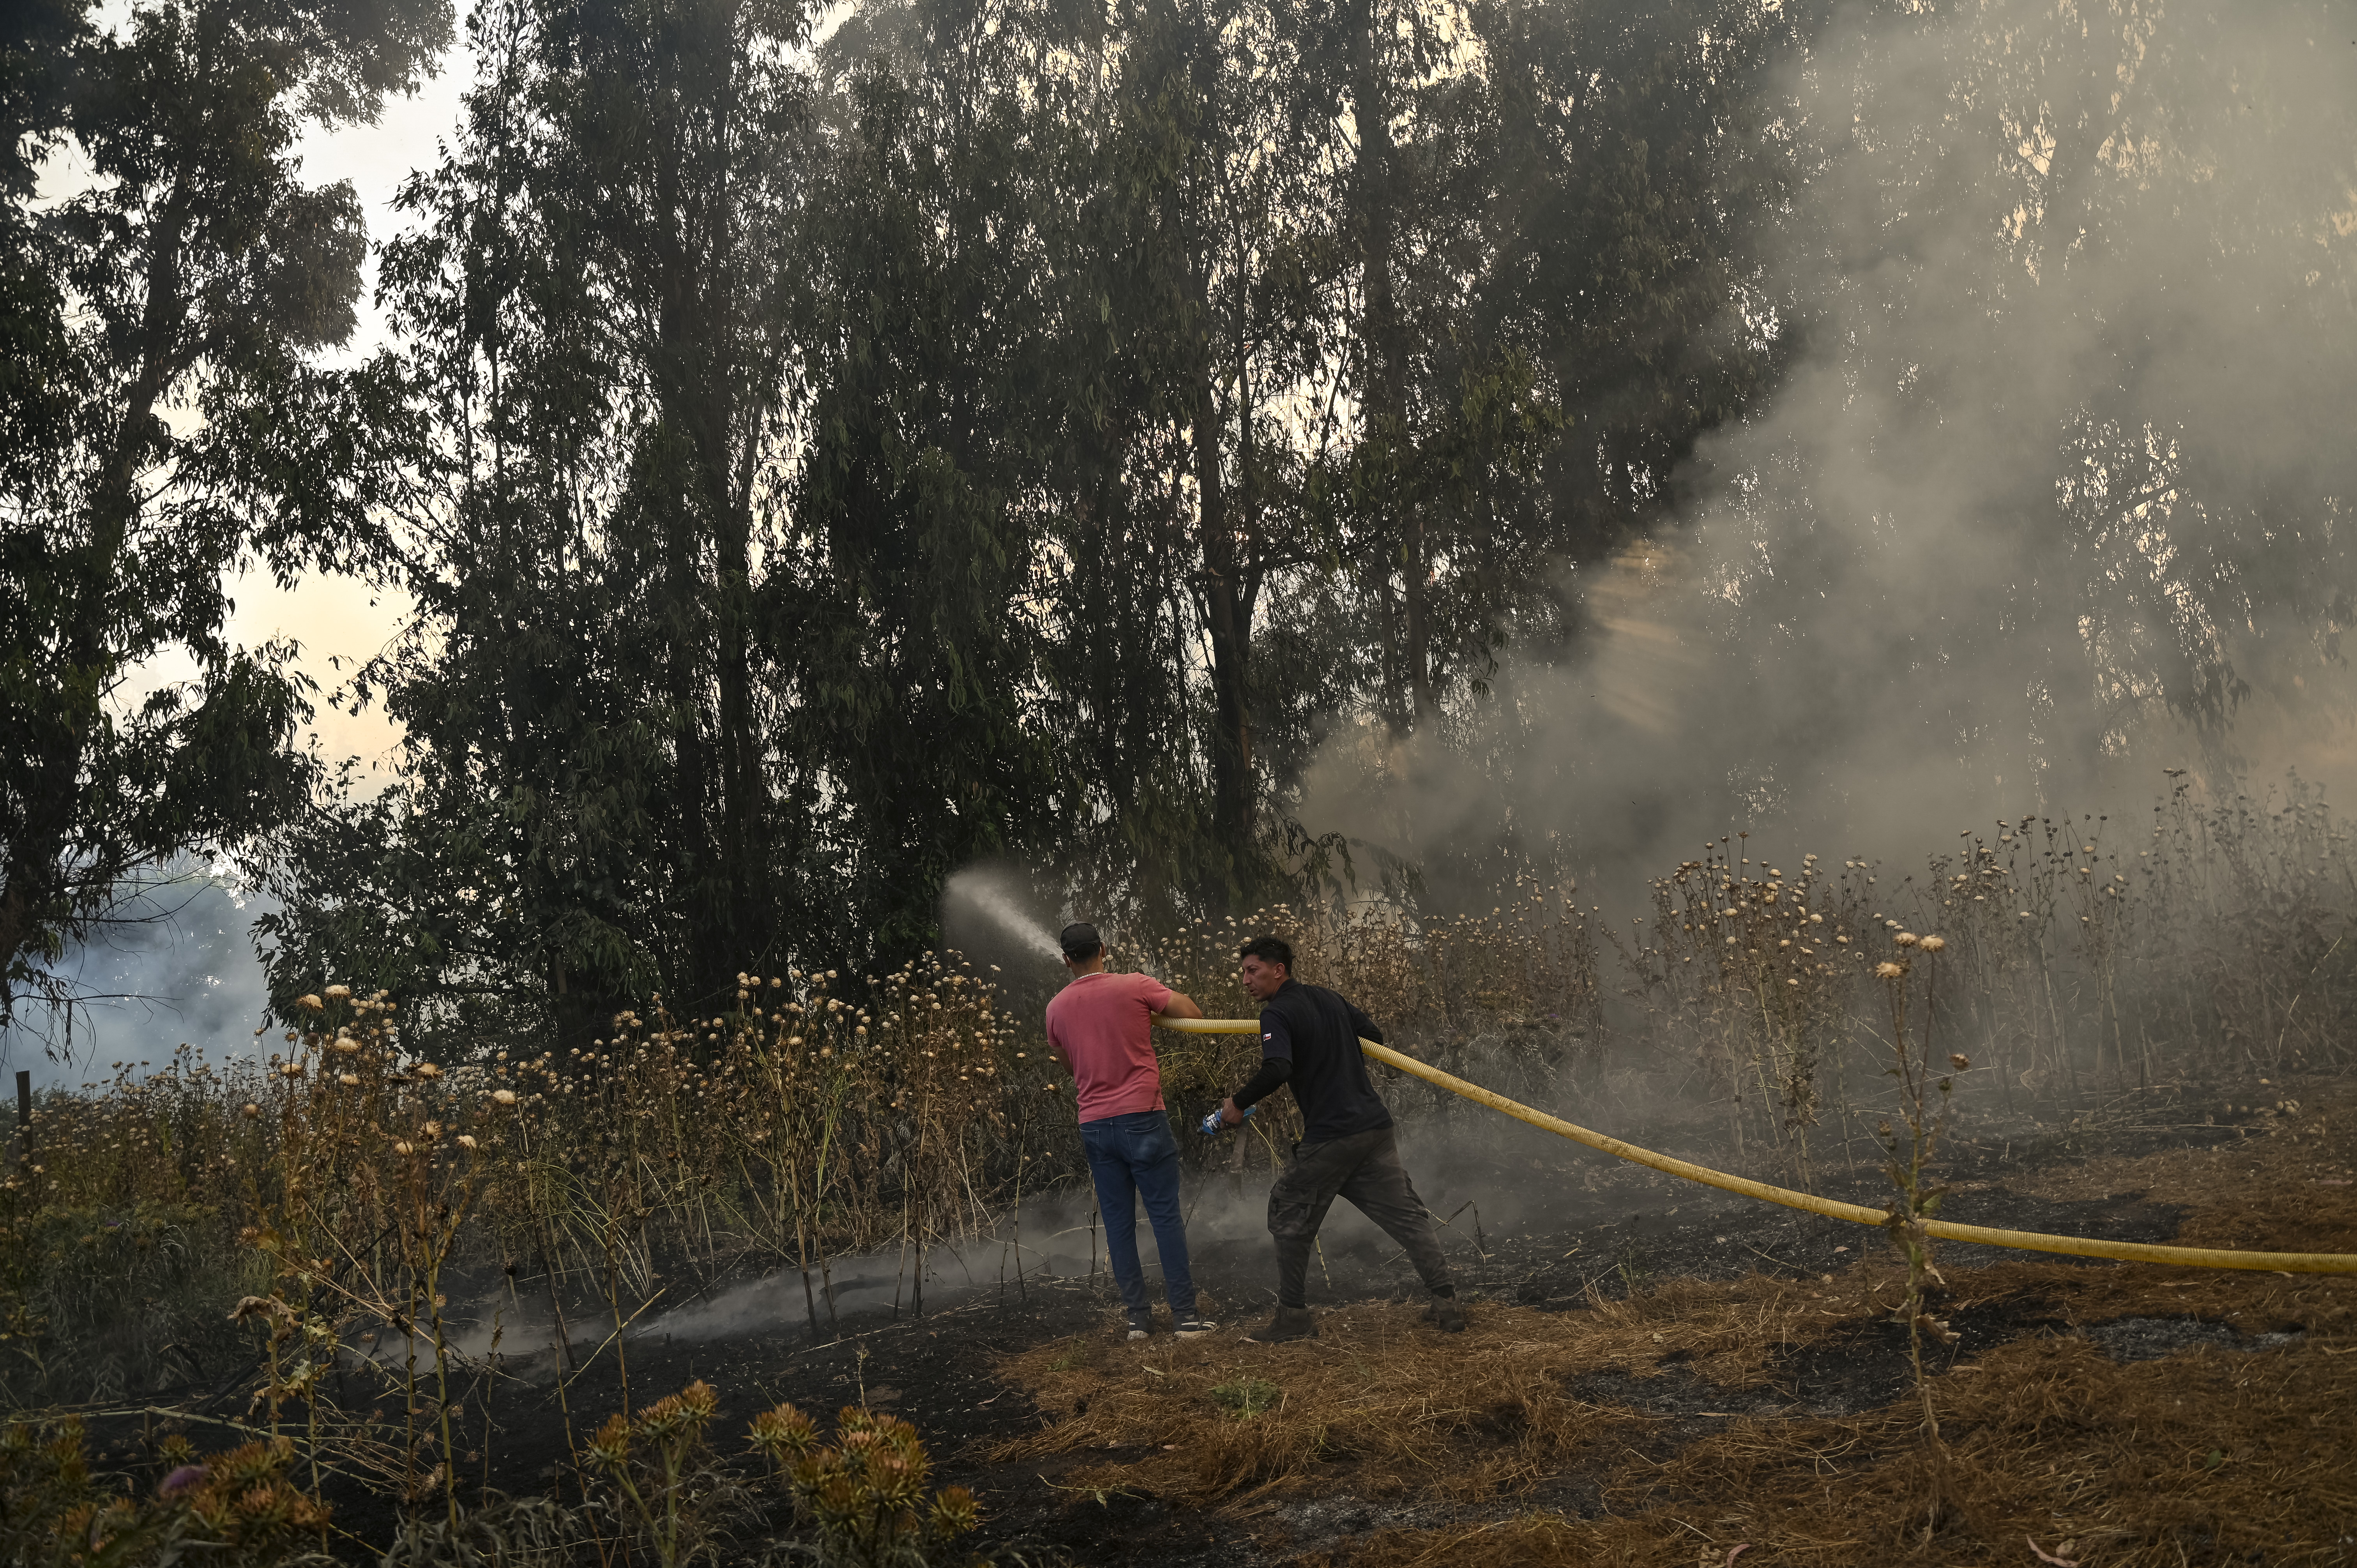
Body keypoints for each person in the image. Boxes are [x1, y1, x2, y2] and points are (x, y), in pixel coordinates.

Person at [1215, 934, 1462, 1341]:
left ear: (1279, 971)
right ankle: (1447, 1304)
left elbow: (1277, 1068)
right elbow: (1375, 1036)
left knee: (1287, 1212)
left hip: (1334, 1136)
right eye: (1244, 972)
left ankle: (1293, 1318)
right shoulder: (1329, 998)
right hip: (1374, 1129)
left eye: (1252, 971)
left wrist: (1237, 1103)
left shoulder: (1277, 1014)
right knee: (1407, 1217)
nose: (1245, 980)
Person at [1044, 921, 1217, 1340]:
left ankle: (1138, 1321)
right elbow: (1193, 1015)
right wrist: (1149, 1012)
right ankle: (1186, 1320)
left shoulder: (1055, 1009)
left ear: (1066, 960)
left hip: (1096, 1125)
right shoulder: (1135, 985)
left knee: (1119, 1224)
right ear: (1105, 948)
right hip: (1143, 1118)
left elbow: (1069, 1067)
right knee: (1165, 1219)